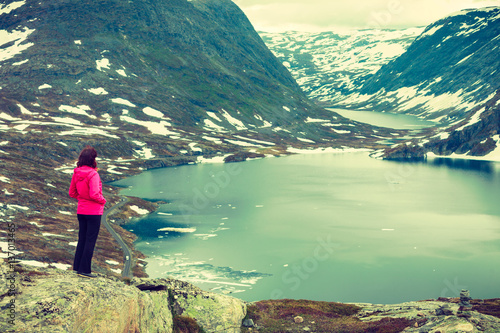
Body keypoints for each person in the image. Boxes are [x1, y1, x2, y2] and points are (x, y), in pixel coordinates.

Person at [69, 146, 106, 278]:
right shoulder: (93, 174)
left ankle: (77, 267)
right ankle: (85, 270)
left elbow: (72, 192)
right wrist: (103, 201)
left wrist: (82, 199)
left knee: (82, 239)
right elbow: (95, 193)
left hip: (81, 211)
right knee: (90, 240)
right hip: (94, 212)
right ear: (92, 159)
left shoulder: (76, 172)